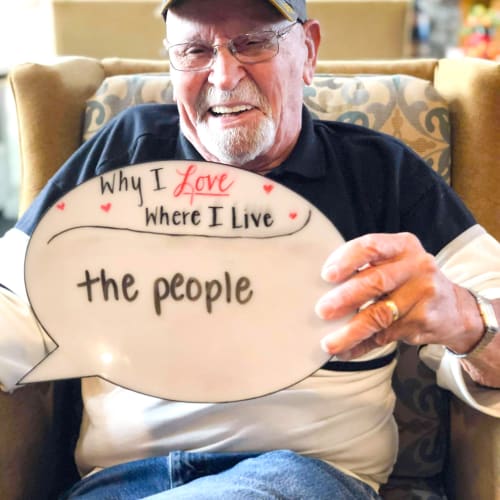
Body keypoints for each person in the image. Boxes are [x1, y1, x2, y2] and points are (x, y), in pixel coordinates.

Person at [1, 0, 499, 498]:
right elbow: (15, 302)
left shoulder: (380, 172)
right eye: (194, 50)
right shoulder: (125, 151)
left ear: (308, 51)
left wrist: (463, 315)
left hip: (301, 475)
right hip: (120, 483)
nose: (222, 75)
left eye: (254, 43)